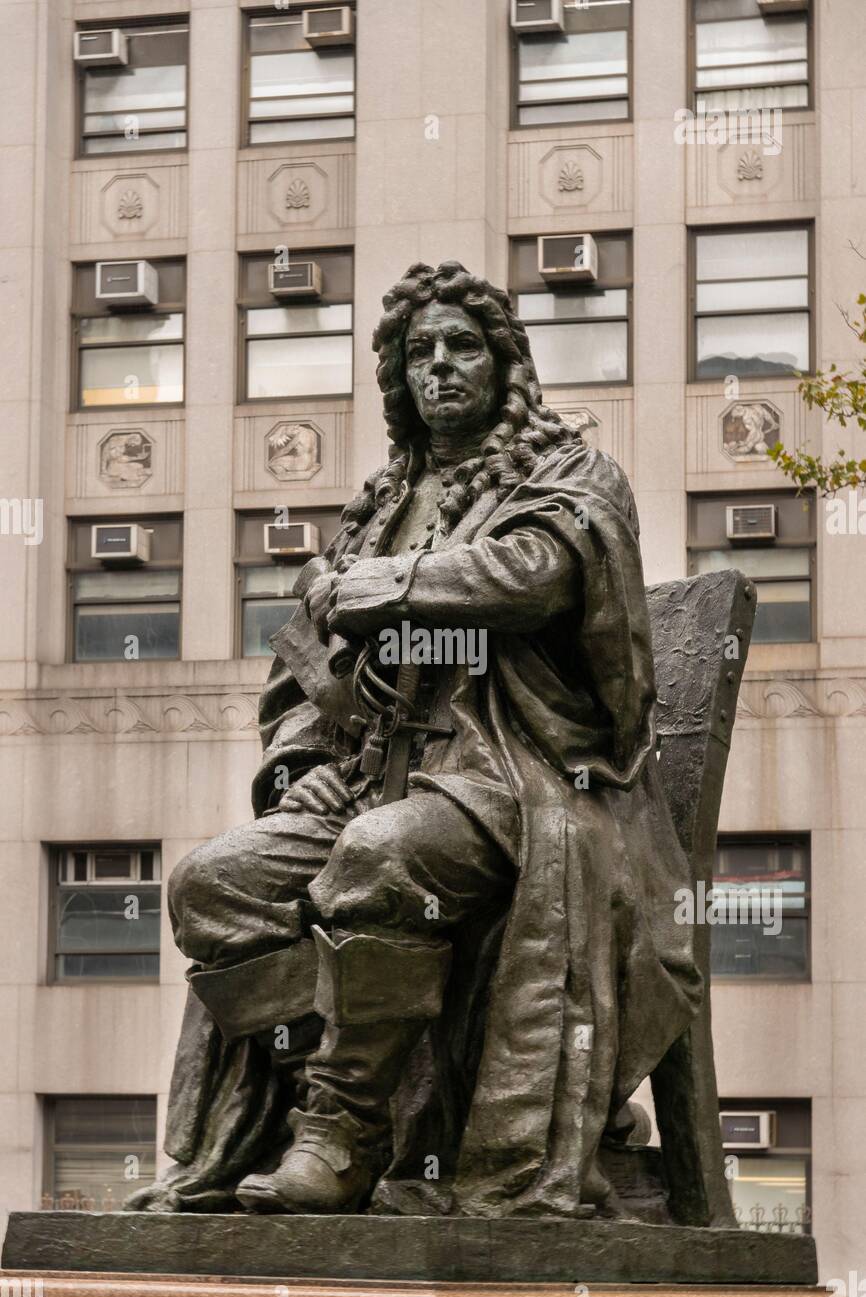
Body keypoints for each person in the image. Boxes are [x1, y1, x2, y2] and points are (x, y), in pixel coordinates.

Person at [129, 262, 702, 1219]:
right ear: (397, 376)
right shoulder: (380, 502)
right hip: (369, 779)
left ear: (506, 361)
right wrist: (307, 765)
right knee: (212, 885)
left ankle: (341, 1137)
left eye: (462, 346)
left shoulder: (570, 473)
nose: (439, 366)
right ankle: (364, 1109)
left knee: (380, 860)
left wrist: (380, 587)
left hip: (518, 783)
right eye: (416, 352)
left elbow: (533, 576)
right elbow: (305, 673)